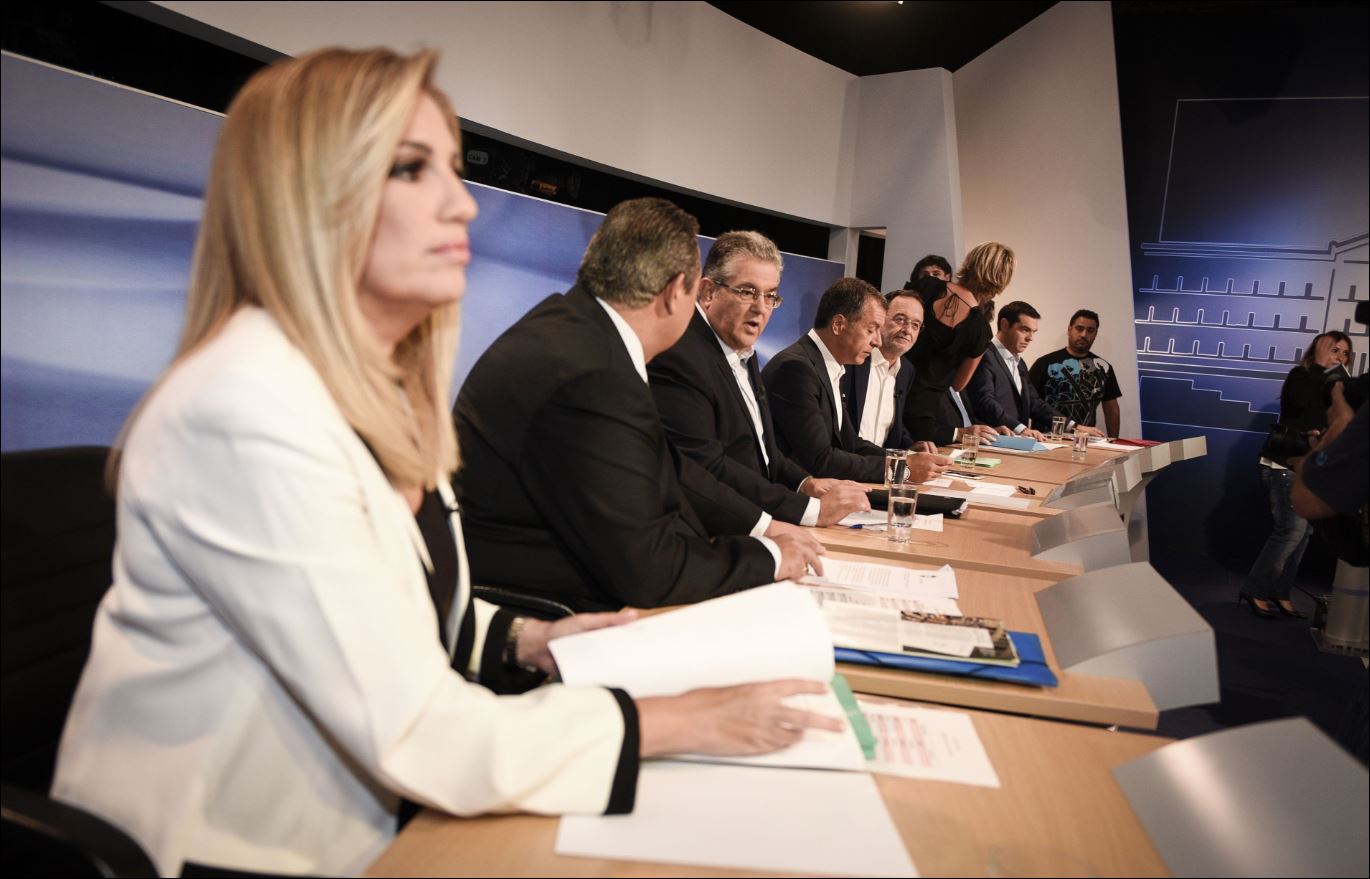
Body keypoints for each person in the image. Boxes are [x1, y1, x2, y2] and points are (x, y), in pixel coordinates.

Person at [51, 49, 839, 877]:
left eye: (453, 171)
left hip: (372, 818)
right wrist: (683, 720)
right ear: (307, 196)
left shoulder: (369, 387)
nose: (462, 203)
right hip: (236, 851)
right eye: (411, 168)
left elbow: (401, 610)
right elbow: (413, 729)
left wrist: (528, 636)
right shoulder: (244, 408)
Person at [456, 199, 826, 613]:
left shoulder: (578, 332)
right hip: (550, 612)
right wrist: (771, 558)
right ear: (675, 293)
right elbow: (649, 568)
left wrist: (766, 528)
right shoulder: (595, 372)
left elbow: (669, 465)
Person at [648, 231, 870, 527]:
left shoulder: (744, 350)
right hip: (709, 530)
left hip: (754, 517)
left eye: (770, 296)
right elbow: (706, 468)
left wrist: (805, 483)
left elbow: (762, 450)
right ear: (708, 292)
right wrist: (808, 511)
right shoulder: (680, 357)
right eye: (747, 292)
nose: (761, 308)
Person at [762, 278, 949, 483]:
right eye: (871, 329)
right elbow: (821, 460)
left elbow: (851, 443)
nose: (877, 340)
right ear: (838, 324)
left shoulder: (827, 366)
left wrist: (906, 459)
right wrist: (900, 469)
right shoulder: (796, 369)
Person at [1241, 331, 1354, 618]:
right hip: (1284, 465)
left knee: (1303, 535)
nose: (1339, 357)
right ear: (1318, 350)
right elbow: (1301, 404)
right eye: (1334, 350)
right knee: (1290, 531)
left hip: (1312, 471)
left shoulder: (1338, 389)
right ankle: (1254, 590)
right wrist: (1321, 367)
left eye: (1344, 353)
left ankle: (1279, 592)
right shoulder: (1301, 376)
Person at [899, 243, 1017, 444]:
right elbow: (958, 383)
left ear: (970, 261)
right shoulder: (981, 329)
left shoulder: (926, 286)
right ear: (1002, 280)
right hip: (921, 408)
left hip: (889, 385)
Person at [967, 301, 1104, 439]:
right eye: (1025, 330)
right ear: (1004, 325)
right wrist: (1020, 429)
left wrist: (1073, 427)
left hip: (1015, 442)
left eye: (1033, 332)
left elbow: (1035, 403)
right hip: (989, 442)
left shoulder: (1020, 363)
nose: (1030, 338)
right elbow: (984, 401)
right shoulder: (984, 355)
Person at [840, 289, 922, 450]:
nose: (907, 330)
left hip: (880, 463)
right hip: (846, 460)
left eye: (915, 325)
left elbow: (892, 426)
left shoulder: (906, 370)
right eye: (900, 320)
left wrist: (913, 448)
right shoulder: (852, 358)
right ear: (880, 319)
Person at [1027, 309, 1123, 438]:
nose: (1084, 334)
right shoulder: (1044, 363)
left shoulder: (1103, 368)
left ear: (1096, 334)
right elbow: (1028, 402)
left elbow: (1111, 408)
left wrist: (1113, 441)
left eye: (1090, 330)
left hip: (1084, 440)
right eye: (1079, 328)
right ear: (1069, 329)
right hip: (1046, 438)